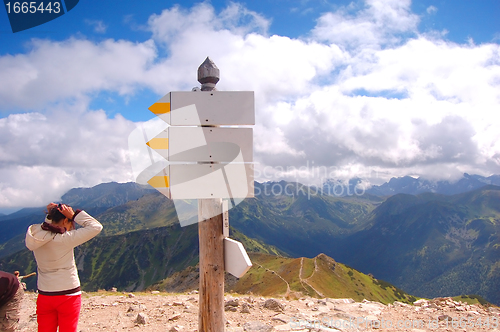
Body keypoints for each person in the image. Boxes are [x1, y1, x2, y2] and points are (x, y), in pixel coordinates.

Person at [26, 203, 103, 332]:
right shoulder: (65, 239)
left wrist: (51, 215)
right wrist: (74, 215)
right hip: (69, 294)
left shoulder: (36, 238)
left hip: (45, 294)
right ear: (66, 220)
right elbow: (96, 227)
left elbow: (46, 229)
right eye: (70, 223)